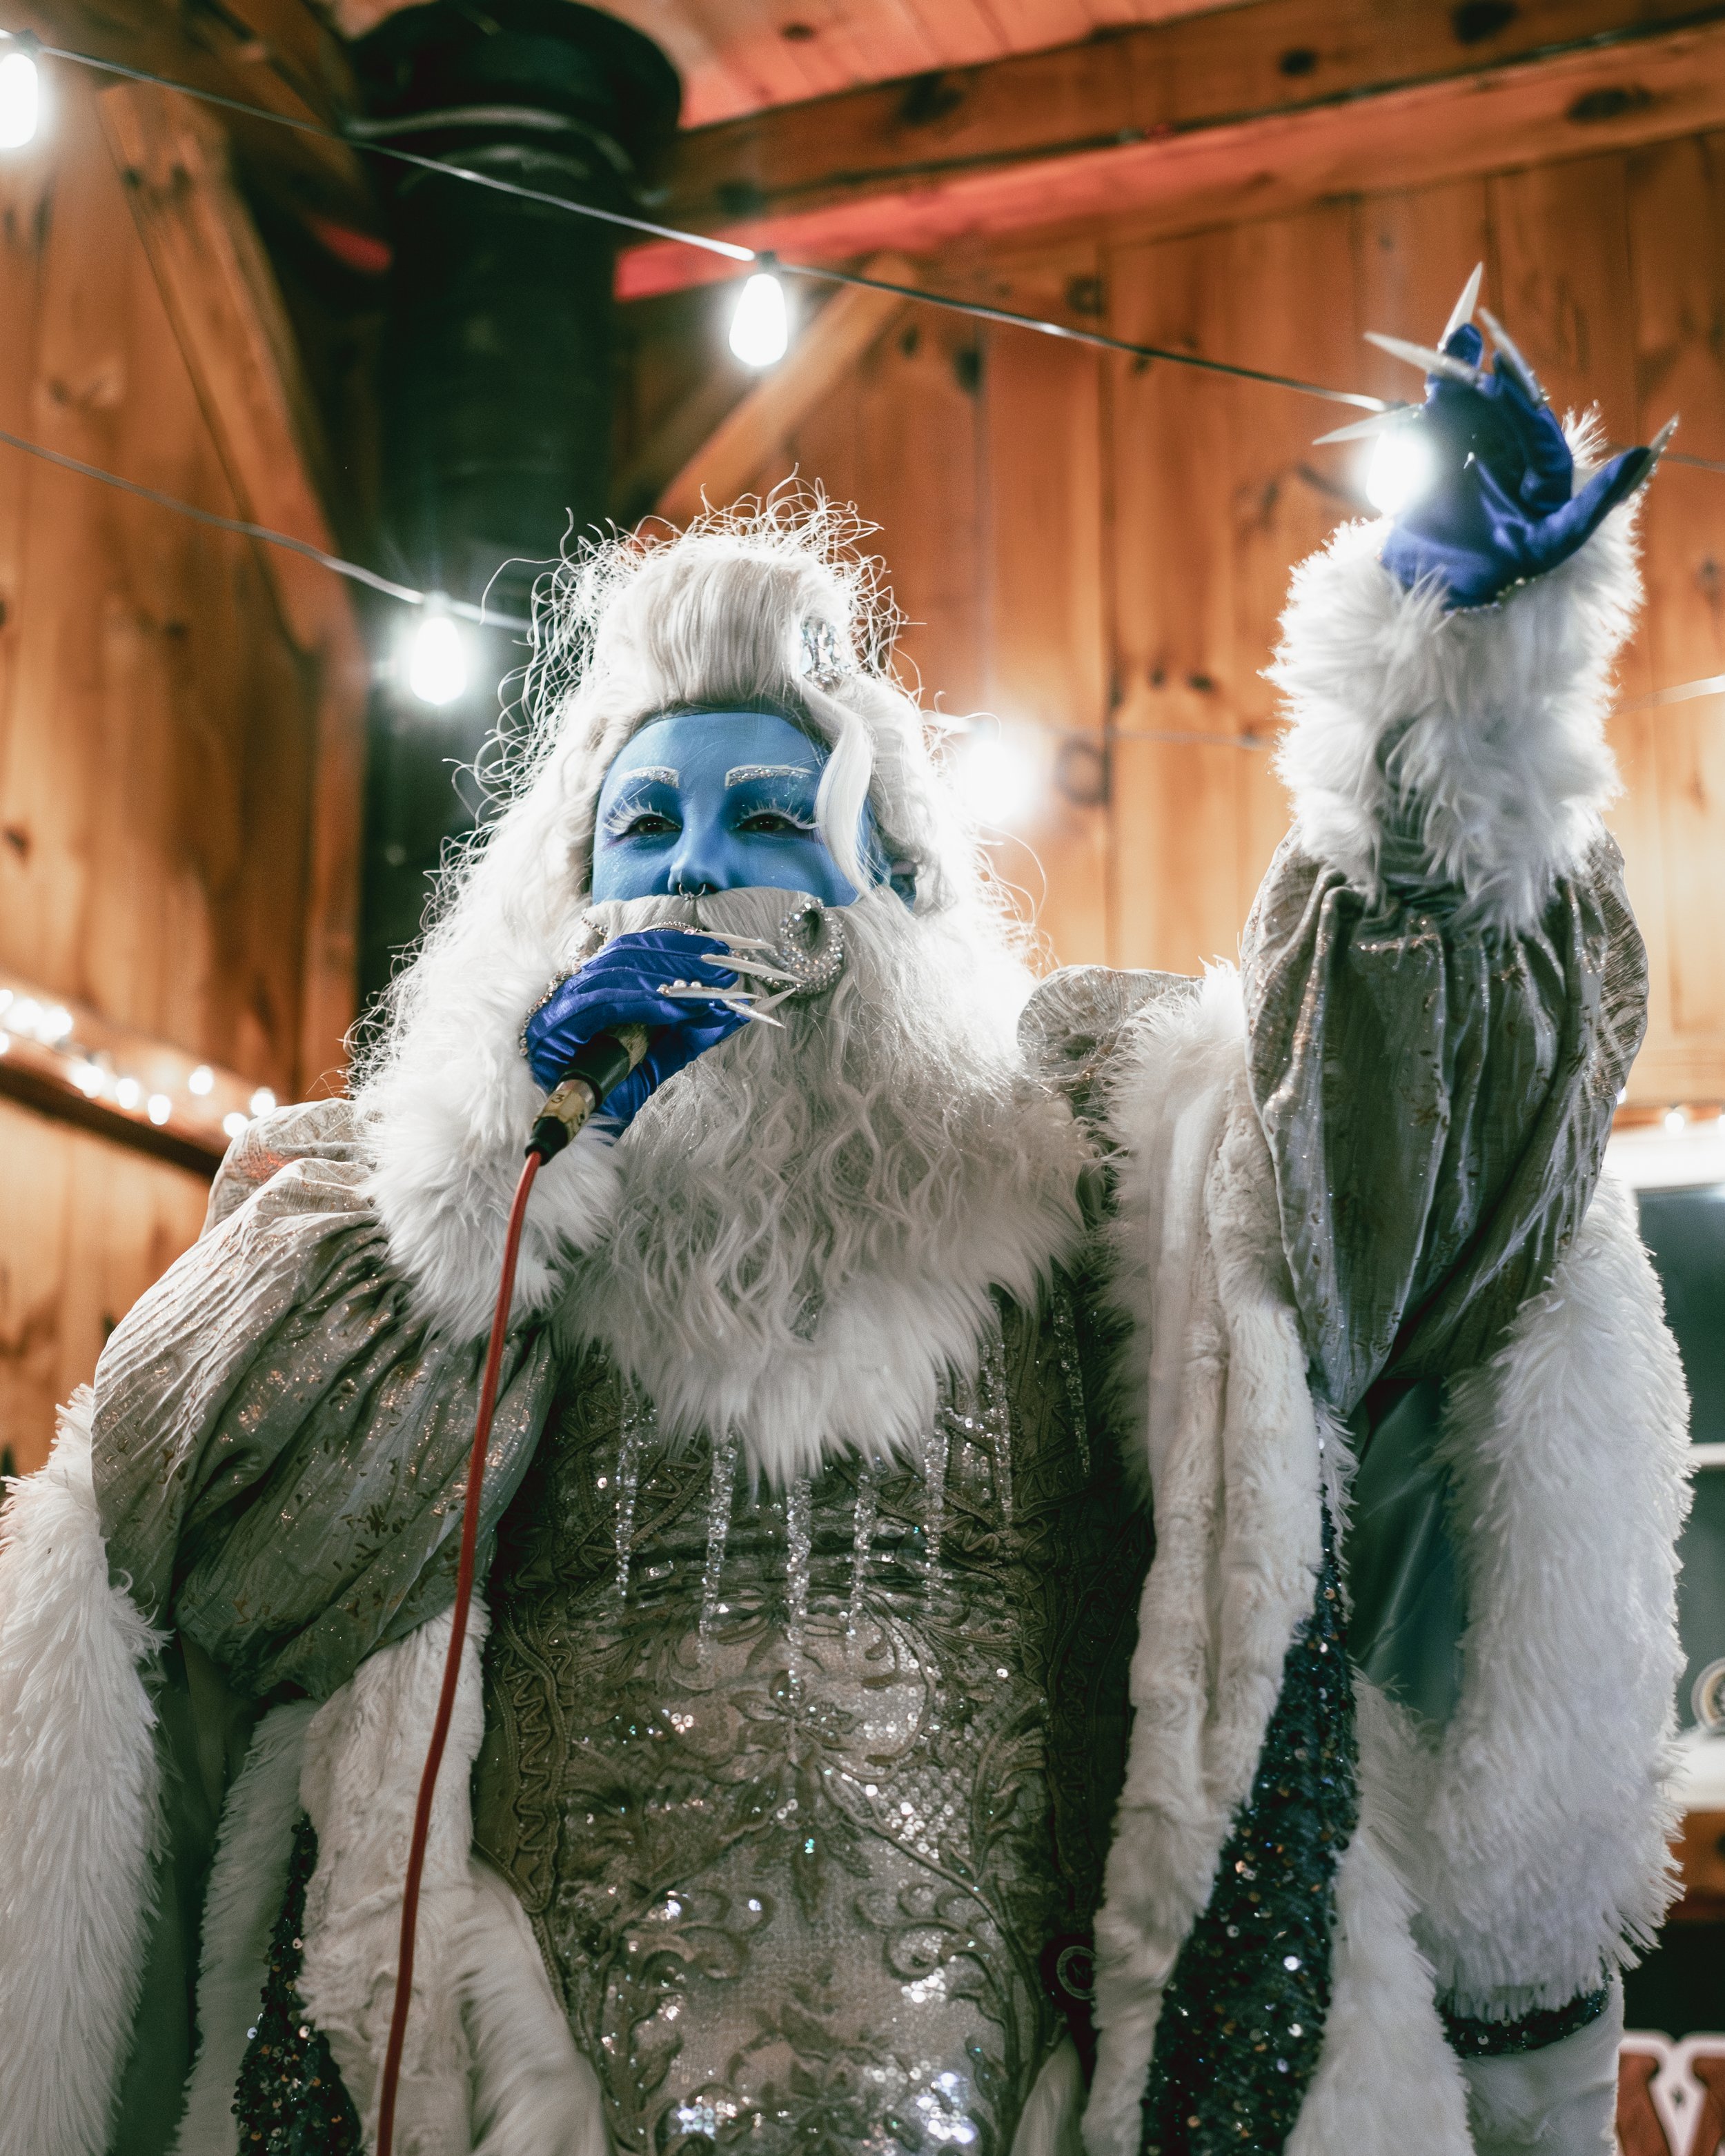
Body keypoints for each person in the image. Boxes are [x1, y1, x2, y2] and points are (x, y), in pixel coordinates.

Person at [0, 292, 1690, 2156]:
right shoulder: (390, 1218)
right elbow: (208, 1536)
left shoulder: (1092, 1162)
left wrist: (1449, 709)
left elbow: (1408, 1192)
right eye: (643, 828)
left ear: (888, 876)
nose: (703, 864)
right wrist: (496, 1177)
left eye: (764, 815)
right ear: (552, 908)